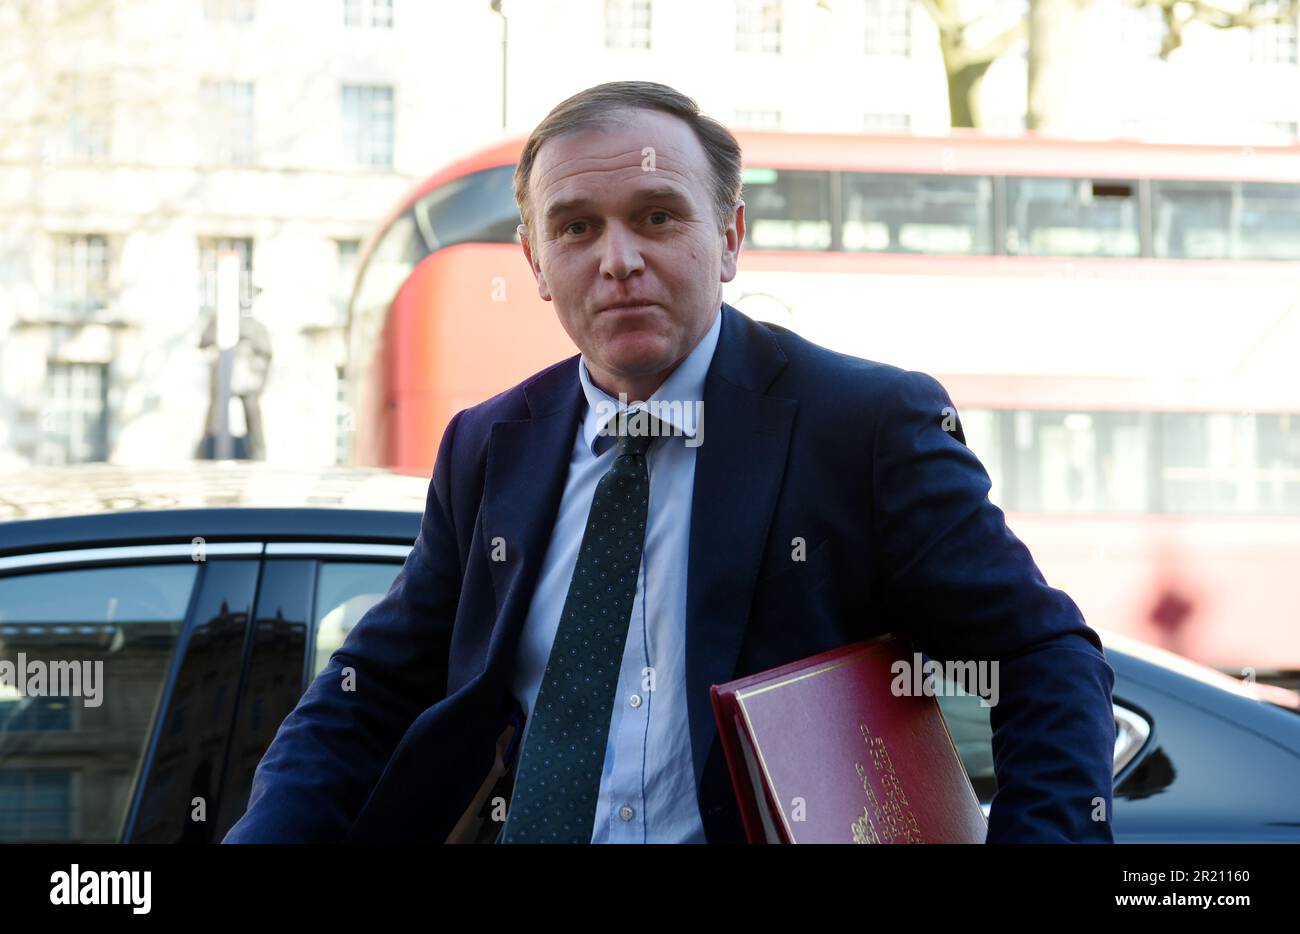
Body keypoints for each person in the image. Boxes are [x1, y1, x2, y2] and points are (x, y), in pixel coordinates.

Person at [223, 80, 1115, 844]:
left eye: (657, 217)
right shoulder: (491, 446)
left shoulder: (863, 425)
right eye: (576, 228)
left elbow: (1046, 660)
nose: (620, 261)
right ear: (535, 262)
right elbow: (367, 692)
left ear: (728, 239)